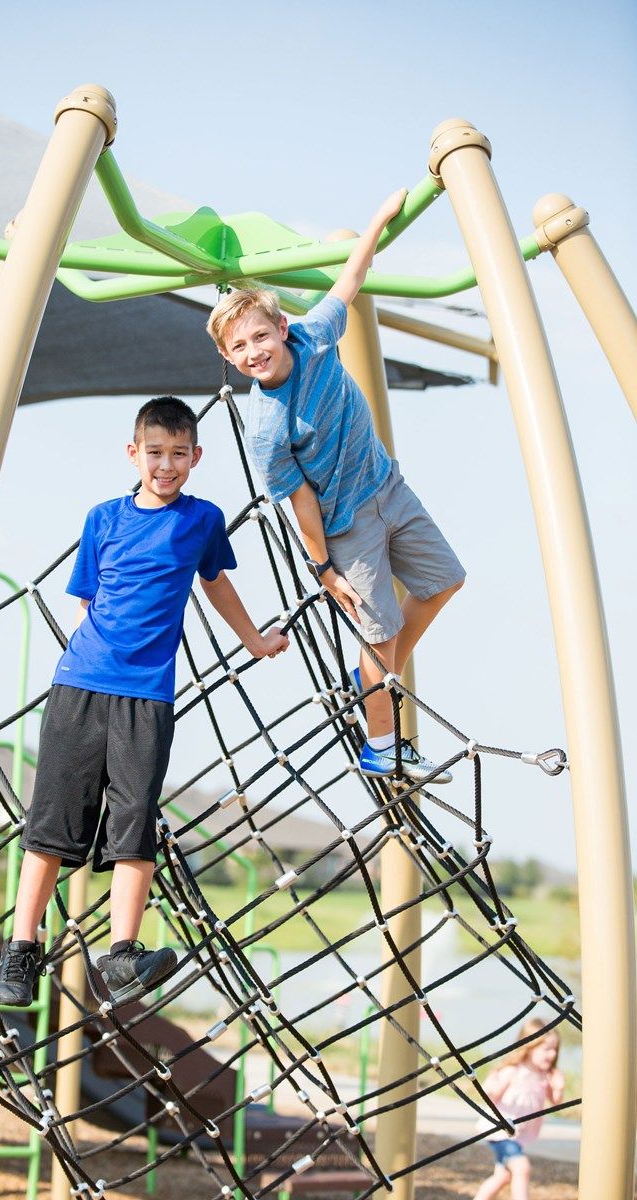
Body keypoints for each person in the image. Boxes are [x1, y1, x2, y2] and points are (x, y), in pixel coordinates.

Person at [0, 396, 289, 1008]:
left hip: (146, 697)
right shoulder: (103, 518)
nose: (166, 465)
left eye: (179, 454)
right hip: (80, 686)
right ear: (134, 454)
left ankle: (122, 956)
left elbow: (217, 584)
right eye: (155, 453)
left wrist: (255, 640)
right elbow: (85, 600)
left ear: (196, 457)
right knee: (52, 823)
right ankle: (21, 953)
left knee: (135, 825)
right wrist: (91, 660)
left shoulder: (202, 520)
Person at [206, 190, 465, 785]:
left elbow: (351, 277)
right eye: (238, 347)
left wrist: (375, 220)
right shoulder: (267, 426)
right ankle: (381, 745)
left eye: (259, 337)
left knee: (444, 580)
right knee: (378, 638)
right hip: (346, 525)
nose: (254, 352)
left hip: (388, 485)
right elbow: (300, 501)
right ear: (227, 354)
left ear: (282, 326)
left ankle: (375, 672)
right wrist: (325, 569)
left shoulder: (316, 335)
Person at [472, 1018, 565, 1200]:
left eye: (555, 1049)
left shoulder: (545, 1076)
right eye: (546, 1049)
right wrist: (498, 1087)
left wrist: (559, 1088)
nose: (552, 1055)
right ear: (529, 1046)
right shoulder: (513, 1071)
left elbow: (556, 1104)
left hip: (518, 1135)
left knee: (503, 1177)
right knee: (521, 1168)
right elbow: (489, 1097)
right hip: (501, 1131)